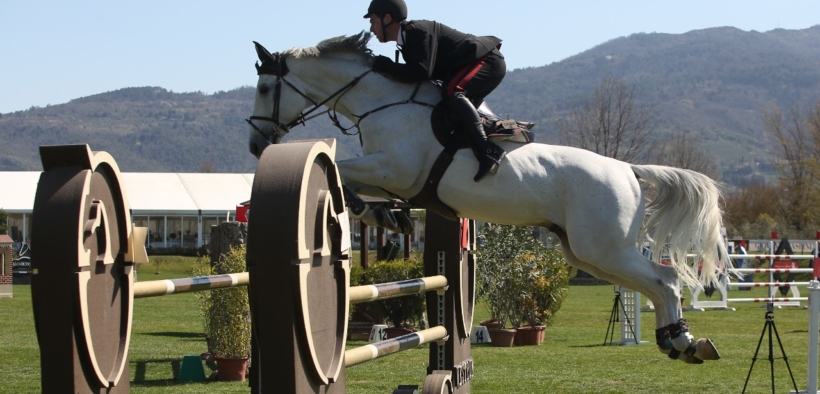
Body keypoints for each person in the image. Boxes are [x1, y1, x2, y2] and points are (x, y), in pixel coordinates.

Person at [364, 0, 506, 182]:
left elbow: (421, 72)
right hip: (473, 64)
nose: (371, 29)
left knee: (453, 92)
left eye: (373, 22)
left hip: (487, 60)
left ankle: (488, 152)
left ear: (388, 18)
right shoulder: (407, 40)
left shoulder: (416, 31)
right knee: (448, 103)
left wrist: (387, 66)